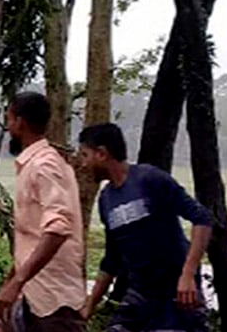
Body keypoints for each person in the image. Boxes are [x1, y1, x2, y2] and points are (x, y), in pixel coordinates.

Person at [78, 123, 212, 332]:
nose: (83, 164)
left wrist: (187, 275)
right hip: (140, 294)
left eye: (85, 155)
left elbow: (202, 219)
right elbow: (111, 261)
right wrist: (89, 306)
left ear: (102, 153)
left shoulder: (149, 179)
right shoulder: (106, 200)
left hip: (175, 294)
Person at [0, 92, 85, 332]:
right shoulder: (34, 165)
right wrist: (13, 281)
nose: (8, 127)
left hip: (53, 298)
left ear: (20, 122)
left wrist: (18, 282)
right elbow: (32, 235)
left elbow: (58, 227)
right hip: (35, 296)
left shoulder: (45, 166)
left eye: (9, 120)